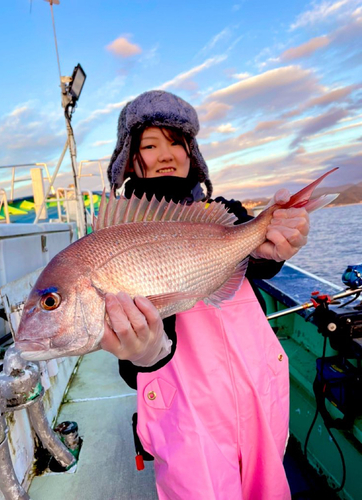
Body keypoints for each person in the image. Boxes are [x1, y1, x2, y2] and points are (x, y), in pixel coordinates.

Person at [101, 90, 309, 499]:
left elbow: (257, 255)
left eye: (176, 142)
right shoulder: (115, 238)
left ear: (191, 152)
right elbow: (131, 359)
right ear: (129, 157)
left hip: (256, 396)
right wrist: (143, 352)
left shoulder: (223, 211)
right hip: (186, 418)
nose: (166, 154)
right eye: (150, 144)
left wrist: (279, 243)